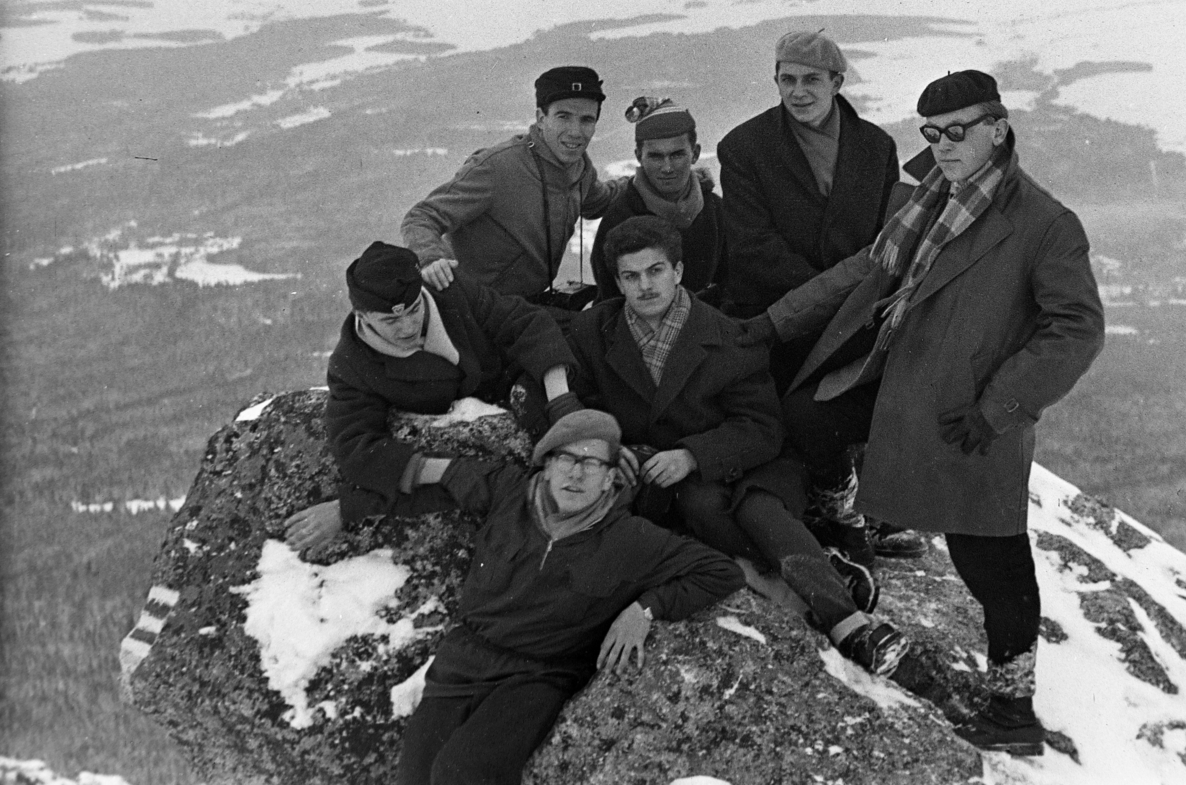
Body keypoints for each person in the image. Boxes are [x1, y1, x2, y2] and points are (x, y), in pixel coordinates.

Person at [739, 70, 1105, 755]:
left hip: (968, 413)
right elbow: (863, 269)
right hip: (899, 379)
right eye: (931, 133)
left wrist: (1000, 405)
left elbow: (1076, 327)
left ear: (998, 128)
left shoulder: (1043, 224)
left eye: (957, 131)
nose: (941, 145)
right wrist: (772, 323)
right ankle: (847, 521)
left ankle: (1013, 711)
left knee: (988, 557)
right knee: (812, 416)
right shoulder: (927, 199)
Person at [547, 215, 909, 677]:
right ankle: (822, 566)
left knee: (757, 510)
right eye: (631, 276)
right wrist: (606, 442)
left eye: (655, 271)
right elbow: (554, 368)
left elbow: (762, 427)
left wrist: (693, 454)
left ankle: (850, 623)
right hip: (682, 483)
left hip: (753, 461)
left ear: (678, 272)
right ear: (617, 282)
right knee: (700, 506)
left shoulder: (727, 337)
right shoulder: (596, 332)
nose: (644, 286)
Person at [379, 409, 746, 785]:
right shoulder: (508, 491)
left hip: (539, 674)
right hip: (463, 663)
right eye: (567, 458)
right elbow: (441, 474)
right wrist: (344, 510)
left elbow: (721, 573)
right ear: (547, 466)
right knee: (415, 776)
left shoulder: (631, 538)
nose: (576, 473)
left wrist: (646, 608)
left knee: (462, 772)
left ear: (609, 478)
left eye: (592, 462)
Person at [718, 30, 926, 562]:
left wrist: (851, 300)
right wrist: (822, 294)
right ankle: (836, 512)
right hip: (778, 310)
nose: (798, 91)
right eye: (787, 79)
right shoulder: (745, 147)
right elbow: (751, 246)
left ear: (837, 81)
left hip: (853, 309)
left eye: (811, 79)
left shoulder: (875, 146)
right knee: (802, 411)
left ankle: (874, 506)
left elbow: (882, 239)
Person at [285, 242, 575, 553]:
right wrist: (446, 471)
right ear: (362, 315)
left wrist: (564, 408)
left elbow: (524, 322)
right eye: (391, 321)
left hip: (516, 386)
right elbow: (357, 448)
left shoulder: (449, 289)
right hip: (475, 445)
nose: (408, 327)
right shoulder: (353, 365)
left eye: (413, 310)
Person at [401, 65, 626, 310]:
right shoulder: (497, 166)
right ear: (541, 118)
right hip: (474, 307)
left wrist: (647, 174)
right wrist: (431, 258)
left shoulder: (579, 168)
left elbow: (601, 200)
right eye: (563, 117)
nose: (575, 131)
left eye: (586, 120)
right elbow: (421, 216)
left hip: (528, 306)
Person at [589, 97, 728, 305]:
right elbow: (611, 300)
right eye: (655, 156)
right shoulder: (619, 218)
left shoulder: (716, 209)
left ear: (695, 153)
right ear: (638, 156)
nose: (667, 168)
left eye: (677, 155)